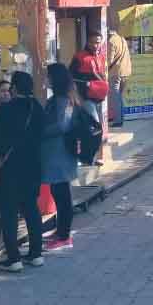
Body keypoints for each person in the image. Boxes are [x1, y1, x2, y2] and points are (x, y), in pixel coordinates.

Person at [0, 71, 46, 272]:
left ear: (15, 89)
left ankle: (14, 258)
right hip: (34, 166)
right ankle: (36, 254)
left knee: (9, 212)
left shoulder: (6, 110)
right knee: (31, 209)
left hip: (10, 170)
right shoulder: (37, 108)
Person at [41, 63, 97, 252]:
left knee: (62, 194)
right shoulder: (60, 98)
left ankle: (64, 236)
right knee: (59, 192)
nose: (45, 79)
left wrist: (40, 132)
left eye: (47, 76)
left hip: (60, 152)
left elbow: (62, 126)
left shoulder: (63, 100)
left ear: (55, 79)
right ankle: (61, 232)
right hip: (57, 153)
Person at [70, 30, 108, 105]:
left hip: (99, 97)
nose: (94, 45)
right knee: (93, 117)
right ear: (87, 42)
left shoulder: (102, 57)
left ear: (101, 43)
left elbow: (104, 76)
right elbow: (70, 76)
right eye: (91, 42)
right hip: (84, 97)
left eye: (97, 43)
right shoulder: (79, 57)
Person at [107, 29, 133, 127]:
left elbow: (110, 60)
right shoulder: (122, 39)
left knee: (116, 97)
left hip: (116, 72)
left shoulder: (111, 41)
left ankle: (118, 121)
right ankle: (121, 118)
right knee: (120, 96)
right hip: (126, 71)